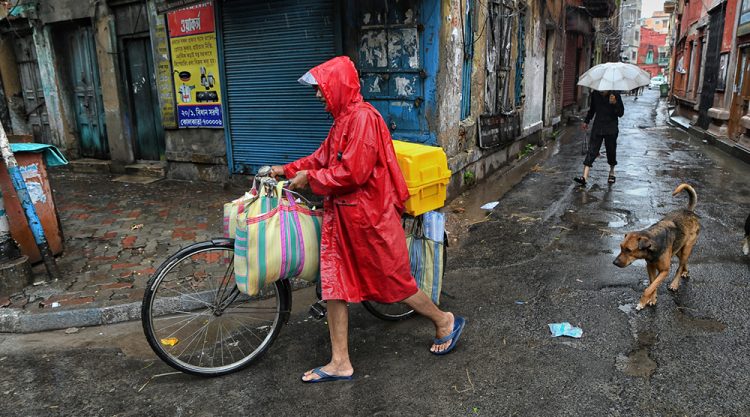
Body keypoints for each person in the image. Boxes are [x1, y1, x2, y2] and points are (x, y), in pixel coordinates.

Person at [270, 56, 465, 383]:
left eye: (321, 89)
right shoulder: (342, 121)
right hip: (343, 220)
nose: (319, 96)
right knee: (334, 286)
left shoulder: (363, 120)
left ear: (337, 86)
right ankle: (340, 362)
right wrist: (285, 169)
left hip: (369, 219)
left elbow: (353, 173)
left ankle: (445, 320)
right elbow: (320, 158)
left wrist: (311, 180)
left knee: (394, 282)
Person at [573, 90, 624, 186]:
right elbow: (592, 109)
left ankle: (612, 172)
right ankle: (584, 177)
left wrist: (615, 103)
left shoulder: (615, 95)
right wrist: (586, 121)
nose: (602, 91)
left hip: (611, 128)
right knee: (592, 150)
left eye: (604, 90)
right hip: (598, 127)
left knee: (611, 151)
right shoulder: (595, 94)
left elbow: (621, 113)